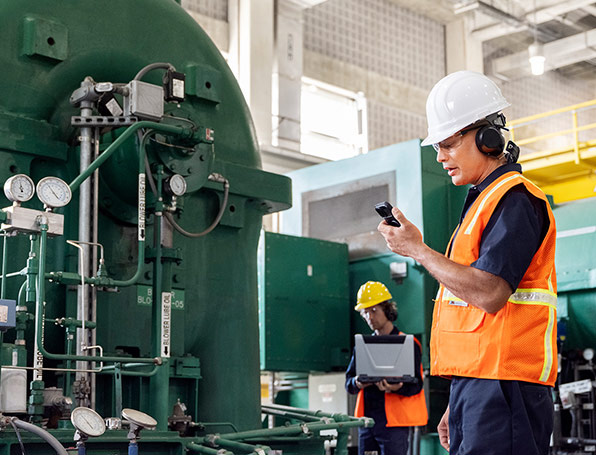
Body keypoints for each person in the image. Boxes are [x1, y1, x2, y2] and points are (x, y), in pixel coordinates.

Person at [377, 70, 557, 455]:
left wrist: (418, 251)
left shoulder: (516, 200)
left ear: (486, 138)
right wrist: (457, 402)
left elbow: (490, 293)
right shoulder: (484, 202)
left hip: (506, 386)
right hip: (481, 387)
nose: (440, 156)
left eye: (447, 144)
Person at [345, 281, 428, 455]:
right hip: (367, 423)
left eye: (373, 310)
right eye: (365, 312)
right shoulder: (361, 347)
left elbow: (416, 385)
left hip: (394, 426)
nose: (369, 317)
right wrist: (358, 383)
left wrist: (397, 388)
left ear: (388, 310)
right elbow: (349, 383)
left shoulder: (409, 344)